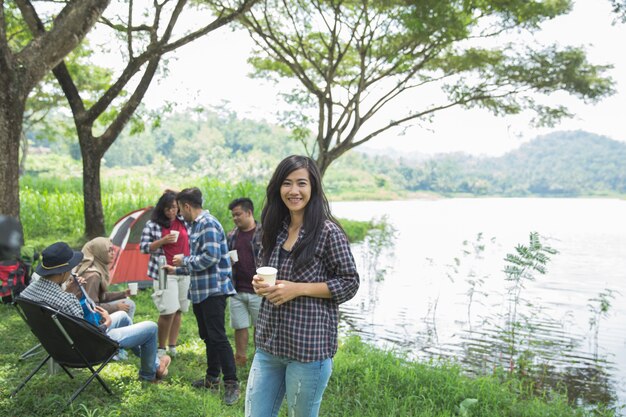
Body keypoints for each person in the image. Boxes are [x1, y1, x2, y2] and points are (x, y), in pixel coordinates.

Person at [245, 155, 360, 417]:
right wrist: (260, 285)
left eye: (301, 183)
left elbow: (350, 283)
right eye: (287, 183)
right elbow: (270, 275)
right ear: (278, 188)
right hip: (269, 345)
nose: (294, 191)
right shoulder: (273, 229)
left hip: (309, 350)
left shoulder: (329, 233)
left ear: (313, 188)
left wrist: (298, 288)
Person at [21, 242, 171, 383]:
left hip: (56, 346)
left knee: (123, 316)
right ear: (63, 272)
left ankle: (155, 365)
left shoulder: (27, 293)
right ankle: (148, 375)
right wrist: (106, 322)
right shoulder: (67, 300)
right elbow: (89, 333)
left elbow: (67, 317)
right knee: (151, 327)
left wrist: (69, 290)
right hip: (86, 350)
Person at [164, 187, 239, 405]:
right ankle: (212, 378)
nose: (179, 214)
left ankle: (232, 383)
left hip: (213, 290)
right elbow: (198, 262)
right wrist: (176, 269)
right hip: (200, 291)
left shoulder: (208, 224)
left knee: (218, 337)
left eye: (180, 209)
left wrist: (184, 261)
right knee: (208, 337)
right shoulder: (195, 226)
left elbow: (211, 258)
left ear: (187, 206)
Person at [140, 190, 191, 358]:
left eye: (174, 208)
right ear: (162, 209)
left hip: (183, 270)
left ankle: (172, 345)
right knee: (167, 310)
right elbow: (144, 248)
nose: (171, 212)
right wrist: (162, 241)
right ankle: (161, 348)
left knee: (178, 310)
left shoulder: (184, 221)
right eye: (168, 208)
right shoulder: (153, 225)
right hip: (163, 271)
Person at [227, 197, 263, 366]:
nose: (235, 218)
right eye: (233, 215)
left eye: (238, 214)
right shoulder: (232, 236)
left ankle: (260, 358)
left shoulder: (264, 233)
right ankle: (240, 358)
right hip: (237, 289)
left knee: (260, 327)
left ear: (249, 212)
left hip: (258, 290)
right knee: (239, 326)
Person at [65, 237, 136, 319]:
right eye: (109, 251)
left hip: (83, 314)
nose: (113, 253)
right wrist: (116, 307)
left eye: (113, 250)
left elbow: (101, 297)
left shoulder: (91, 268)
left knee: (126, 301)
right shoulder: (93, 275)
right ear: (100, 253)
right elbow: (92, 306)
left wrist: (123, 294)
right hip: (89, 320)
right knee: (129, 304)